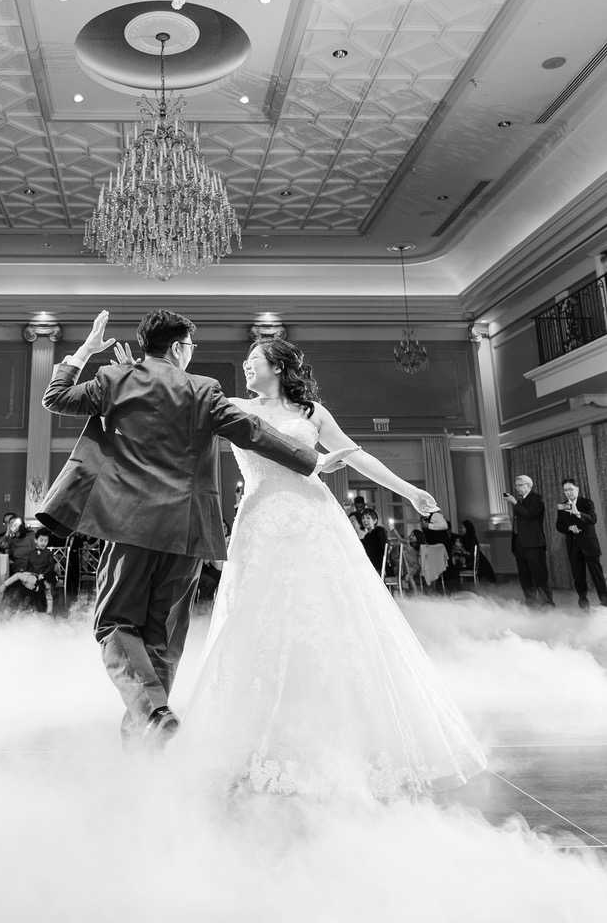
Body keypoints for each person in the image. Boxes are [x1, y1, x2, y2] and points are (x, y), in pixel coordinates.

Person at [181, 336, 486, 800]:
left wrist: (409, 491)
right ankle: (250, 741)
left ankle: (345, 738)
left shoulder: (312, 413)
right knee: (257, 621)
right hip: (260, 523)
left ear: (278, 366)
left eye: (253, 359)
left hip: (314, 520)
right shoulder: (235, 407)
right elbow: (180, 408)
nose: (245, 366)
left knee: (329, 618)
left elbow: (357, 455)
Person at [39, 309, 330, 749]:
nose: (191, 353)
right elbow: (252, 432)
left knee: (115, 623)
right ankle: (147, 744)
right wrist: (312, 460)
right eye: (190, 346)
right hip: (187, 530)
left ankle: (153, 715)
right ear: (178, 348)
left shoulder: (115, 379)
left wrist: (85, 351)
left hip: (130, 524)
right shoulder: (204, 388)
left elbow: (56, 397)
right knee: (163, 638)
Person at [556, 478, 607, 611]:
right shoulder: (562, 506)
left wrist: (578, 513)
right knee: (578, 576)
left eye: (570, 489)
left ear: (577, 489)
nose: (568, 492)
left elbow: (593, 519)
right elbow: (559, 525)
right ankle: (583, 602)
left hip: (589, 545)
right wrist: (569, 527)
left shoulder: (587, 503)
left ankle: (605, 602)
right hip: (573, 546)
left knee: (597, 575)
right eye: (565, 490)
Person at [505, 474, 554, 607]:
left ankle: (547, 603)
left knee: (539, 575)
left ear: (528, 485)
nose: (517, 488)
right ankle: (531, 603)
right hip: (519, 543)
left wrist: (515, 502)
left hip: (534, 544)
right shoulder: (520, 501)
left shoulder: (537, 499)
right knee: (524, 576)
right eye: (516, 486)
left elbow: (529, 514)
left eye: (519, 485)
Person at [358, 508, 387, 574]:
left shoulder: (380, 531)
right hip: (371, 565)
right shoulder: (367, 536)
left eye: (368, 518)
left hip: (380, 566)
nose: (365, 520)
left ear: (375, 521)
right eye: (363, 518)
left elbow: (382, 549)